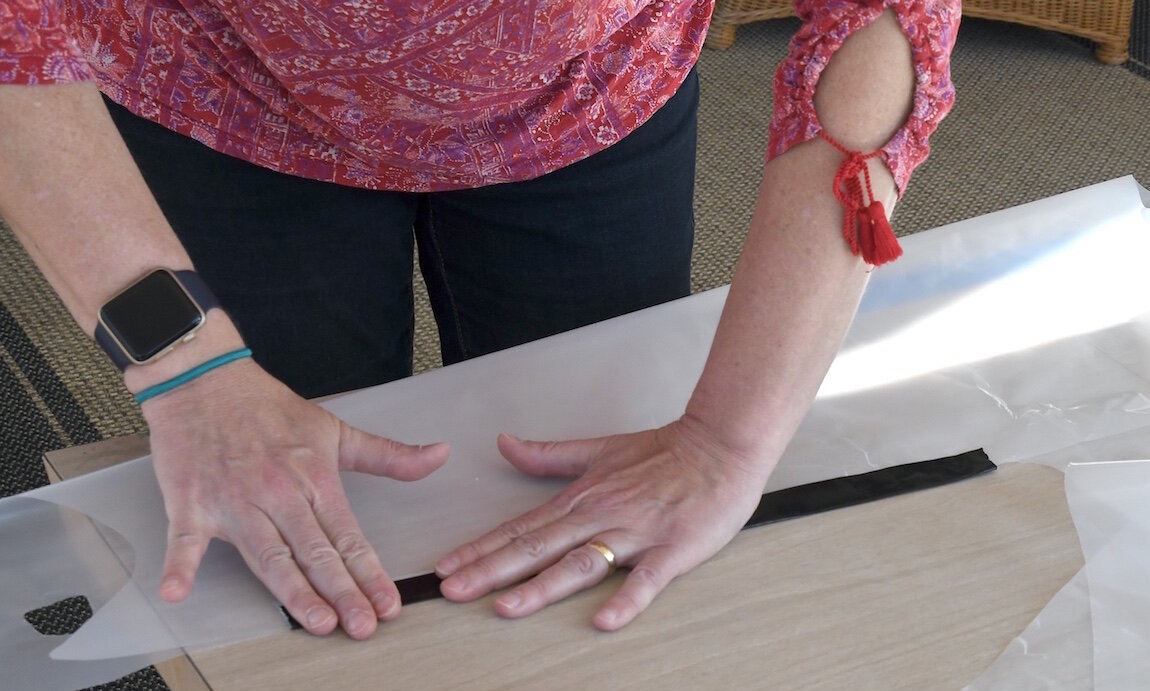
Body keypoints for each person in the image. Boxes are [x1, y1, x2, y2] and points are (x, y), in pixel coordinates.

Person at [0, 0, 957, 638]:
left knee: (606, 544)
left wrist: (726, 440)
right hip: (218, 88)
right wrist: (188, 372)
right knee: (301, 545)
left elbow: (884, 17)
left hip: (593, 90)